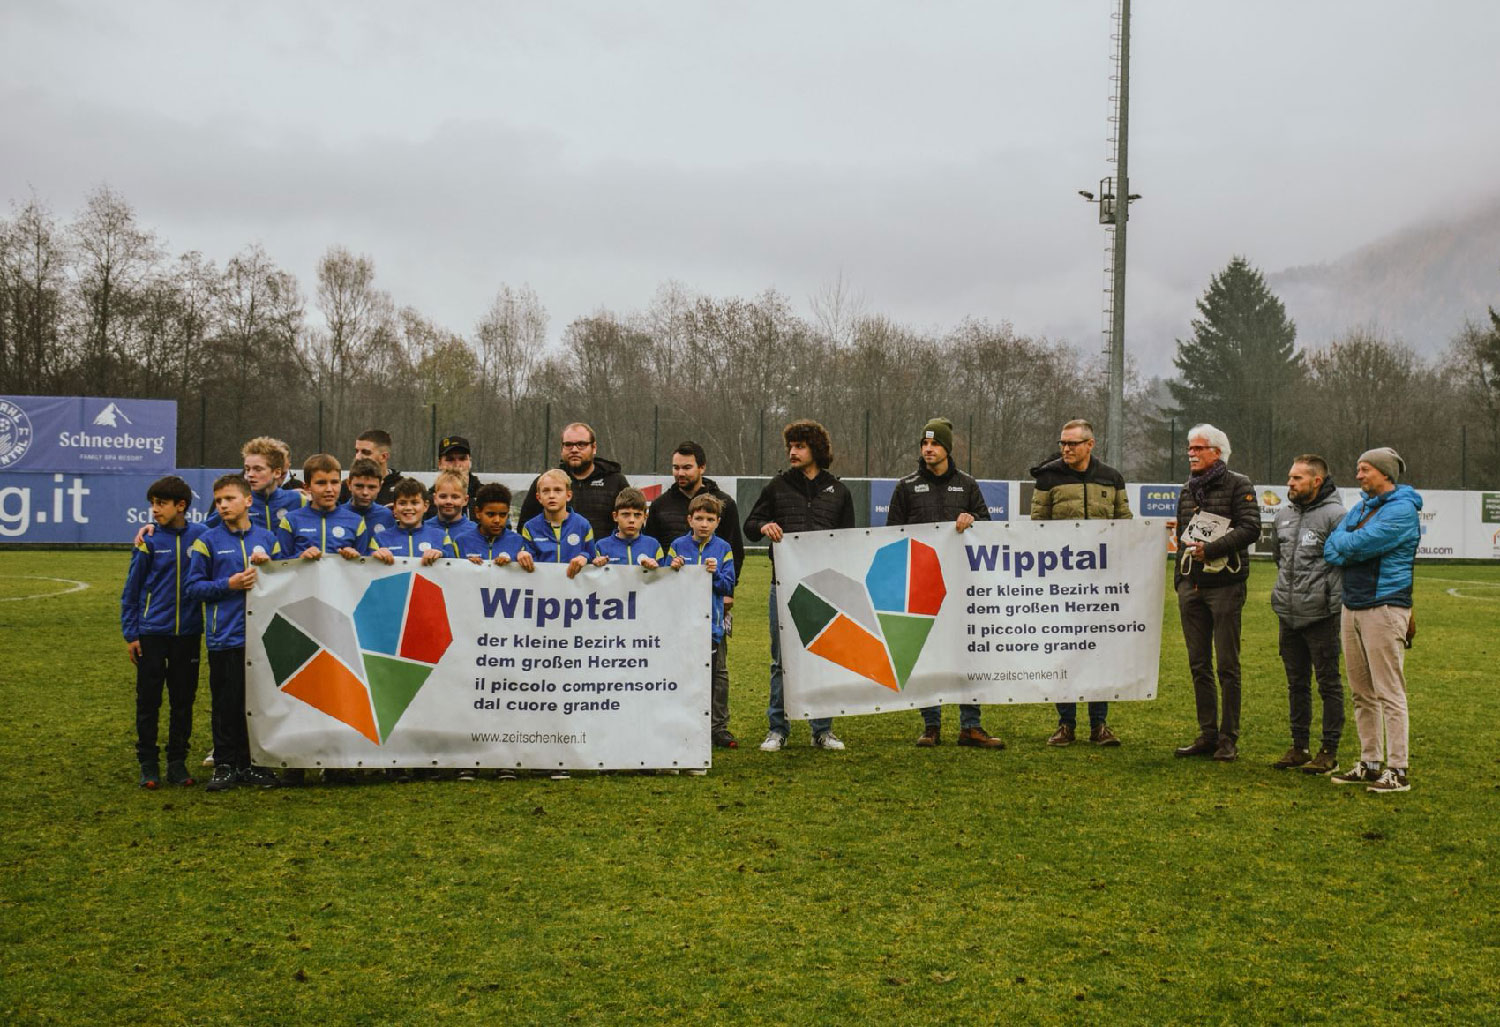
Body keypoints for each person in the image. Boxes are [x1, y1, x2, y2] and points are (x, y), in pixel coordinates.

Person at [887, 417, 1003, 749]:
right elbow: (891, 534)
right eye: (924, 444)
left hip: (962, 584)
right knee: (926, 654)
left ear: (947, 448)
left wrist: (973, 519)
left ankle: (971, 726)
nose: (928, 449)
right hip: (921, 585)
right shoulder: (906, 486)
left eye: (935, 443)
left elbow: (987, 528)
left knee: (968, 652)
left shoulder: (967, 485)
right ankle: (931, 726)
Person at [744, 419, 855, 752]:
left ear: (816, 450)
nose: (793, 452)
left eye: (800, 446)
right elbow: (750, 525)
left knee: (822, 658)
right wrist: (764, 526)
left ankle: (822, 730)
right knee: (781, 662)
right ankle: (777, 729)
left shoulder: (839, 491)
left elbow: (849, 542)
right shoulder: (777, 487)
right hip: (782, 586)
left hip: (824, 589)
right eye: (790, 446)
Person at [1029, 418, 1132, 747]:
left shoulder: (1112, 477)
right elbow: (1037, 527)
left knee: (1099, 651)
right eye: (1062, 443)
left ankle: (1099, 724)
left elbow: (1125, 524)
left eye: (1072, 443)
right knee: (1065, 652)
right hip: (1062, 584)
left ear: (1090, 444)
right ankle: (1066, 723)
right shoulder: (1047, 477)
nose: (1066, 448)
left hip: (1102, 583)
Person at [1325, 448, 1421, 794]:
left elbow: (1358, 544)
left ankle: (1398, 769)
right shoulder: (1362, 507)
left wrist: (1349, 546)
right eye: (1358, 468)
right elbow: (1332, 547)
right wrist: (1350, 546)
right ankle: (1369, 762)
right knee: (1361, 692)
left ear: (1385, 473)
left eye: (1365, 469)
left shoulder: (1402, 509)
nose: (1358, 475)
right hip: (1352, 605)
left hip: (1385, 606)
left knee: (1389, 692)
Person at [184, 474, 282, 791]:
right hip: (225, 636)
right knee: (226, 703)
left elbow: (286, 581)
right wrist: (229, 584)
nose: (223, 505)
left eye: (229, 499)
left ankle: (252, 764)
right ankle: (225, 765)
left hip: (262, 638)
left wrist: (270, 567)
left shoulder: (268, 539)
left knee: (256, 704)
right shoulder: (208, 541)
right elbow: (192, 588)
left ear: (248, 501)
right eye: (218, 501)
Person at [645, 440, 746, 748]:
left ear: (701, 467)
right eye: (676, 467)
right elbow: (654, 550)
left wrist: (728, 593)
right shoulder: (661, 505)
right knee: (677, 666)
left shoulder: (724, 502)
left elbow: (735, 552)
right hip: (676, 609)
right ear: (690, 520)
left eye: (687, 467)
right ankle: (679, 722)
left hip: (714, 608)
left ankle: (718, 727)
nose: (680, 473)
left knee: (718, 670)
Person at [1171, 424, 1261, 762]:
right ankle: (1207, 734)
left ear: (1217, 452)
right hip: (1191, 586)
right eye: (1190, 448)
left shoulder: (1239, 484)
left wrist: (1210, 550)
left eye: (1198, 448)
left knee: (1227, 665)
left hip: (1225, 585)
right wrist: (1181, 582)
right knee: (1198, 664)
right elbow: (1182, 537)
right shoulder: (1186, 490)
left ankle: (1228, 738)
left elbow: (1251, 528)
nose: (1191, 453)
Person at [120, 475, 206, 789]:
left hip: (188, 634)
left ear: (181, 505)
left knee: (183, 701)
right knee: (148, 701)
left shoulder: (202, 536)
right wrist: (132, 634)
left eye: (161, 503)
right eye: (153, 504)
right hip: (152, 634)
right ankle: (148, 764)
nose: (155, 510)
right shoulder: (149, 541)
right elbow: (131, 591)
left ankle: (177, 762)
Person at [1268, 454, 1346, 774]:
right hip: (1288, 614)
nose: (1290, 483)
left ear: (1316, 481)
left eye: (1297, 478)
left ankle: (1328, 750)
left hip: (1321, 615)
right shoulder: (1283, 515)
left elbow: (1342, 562)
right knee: (1296, 683)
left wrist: (1325, 599)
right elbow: (1278, 557)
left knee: (1328, 684)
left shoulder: (1337, 516)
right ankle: (1299, 746)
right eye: (1290, 477)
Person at [669, 493, 738, 752]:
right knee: (683, 674)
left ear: (718, 522)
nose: (704, 524)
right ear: (689, 519)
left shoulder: (723, 549)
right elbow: (665, 583)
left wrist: (715, 573)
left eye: (710, 519)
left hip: (713, 626)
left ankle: (718, 727)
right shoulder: (677, 545)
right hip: (682, 625)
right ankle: (685, 723)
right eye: (699, 518)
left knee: (717, 676)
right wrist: (673, 567)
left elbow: (728, 585)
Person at [518, 422, 630, 540]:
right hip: (556, 552)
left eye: (581, 444)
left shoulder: (616, 482)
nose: (574, 450)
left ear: (594, 447)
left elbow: (634, 523)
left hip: (602, 552)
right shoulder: (546, 482)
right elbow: (524, 527)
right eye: (568, 445)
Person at [281, 454, 367, 560]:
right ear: (307, 487)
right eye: (321, 483)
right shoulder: (290, 521)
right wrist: (300, 558)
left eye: (334, 482)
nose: (329, 489)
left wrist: (356, 557)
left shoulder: (356, 522)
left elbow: (366, 565)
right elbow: (280, 563)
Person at [520, 468, 596, 578]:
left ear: (568, 495)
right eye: (546, 491)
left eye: (558, 490)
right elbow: (527, 557)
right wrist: (522, 555)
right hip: (542, 586)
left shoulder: (583, 525)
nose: (551, 495)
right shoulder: (530, 527)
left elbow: (593, 556)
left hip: (574, 586)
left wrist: (584, 557)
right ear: (539, 497)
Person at [369, 478, 453, 565]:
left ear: (425, 506)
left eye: (414, 503)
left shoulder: (441, 537)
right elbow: (366, 568)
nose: (408, 508)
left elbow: (455, 567)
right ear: (394, 508)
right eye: (402, 503)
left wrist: (442, 555)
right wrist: (374, 556)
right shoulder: (379, 539)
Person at [455, 483, 533, 569]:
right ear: (477, 512)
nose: (497, 520)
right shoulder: (461, 542)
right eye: (490, 514)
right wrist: (467, 565)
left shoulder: (518, 542)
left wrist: (512, 565)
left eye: (503, 515)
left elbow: (529, 572)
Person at [593, 488, 666, 568]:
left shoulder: (653, 545)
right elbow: (591, 574)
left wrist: (655, 568)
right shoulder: (601, 546)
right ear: (615, 516)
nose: (631, 520)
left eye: (637, 515)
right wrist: (596, 566)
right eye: (626, 514)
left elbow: (663, 575)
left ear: (645, 517)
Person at [339, 429, 402, 506]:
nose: (358, 457)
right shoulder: (345, 487)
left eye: (366, 452)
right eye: (357, 451)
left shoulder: (402, 488)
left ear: (383, 457)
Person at [342, 457, 397, 537]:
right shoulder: (337, 516)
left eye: (371, 487)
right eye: (359, 486)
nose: (365, 492)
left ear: (380, 486)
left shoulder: (387, 516)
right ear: (349, 484)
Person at [428, 469, 480, 548]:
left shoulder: (476, 531)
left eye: (455, 497)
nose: (448, 501)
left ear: (465, 500)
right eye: (443, 496)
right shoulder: (424, 529)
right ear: (435, 498)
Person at [436, 435, 485, 517]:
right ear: (439, 464)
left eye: (462, 459)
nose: (457, 464)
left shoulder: (486, 498)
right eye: (450, 459)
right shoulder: (427, 502)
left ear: (470, 461)